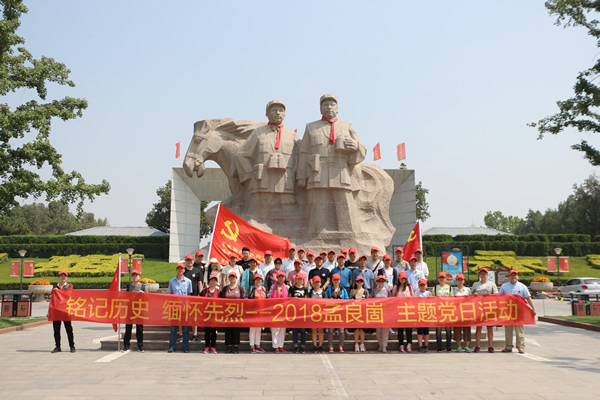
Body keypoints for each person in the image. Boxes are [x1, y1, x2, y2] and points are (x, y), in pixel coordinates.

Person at [297, 94, 366, 235]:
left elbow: (362, 150)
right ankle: (315, 236)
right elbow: (303, 152)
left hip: (340, 172)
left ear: (338, 108)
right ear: (320, 109)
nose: (329, 107)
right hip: (317, 173)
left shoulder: (347, 126)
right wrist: (301, 177)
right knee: (317, 207)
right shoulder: (311, 127)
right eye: (325, 105)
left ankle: (348, 236)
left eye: (332, 104)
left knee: (344, 206)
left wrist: (356, 146)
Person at [236, 99, 300, 225]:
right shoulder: (258, 133)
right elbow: (241, 154)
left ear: (285, 114)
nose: (278, 113)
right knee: (258, 217)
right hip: (262, 183)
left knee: (288, 218)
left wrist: (297, 175)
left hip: (285, 183)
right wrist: (249, 177)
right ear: (267, 114)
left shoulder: (292, 135)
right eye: (274, 110)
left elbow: (302, 155)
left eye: (281, 110)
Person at [500, 270, 536, 354]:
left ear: (518, 276)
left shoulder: (522, 286)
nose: (513, 277)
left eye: (515, 275)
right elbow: (499, 298)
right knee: (508, 330)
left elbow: (528, 298)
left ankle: (520, 347)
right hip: (508, 311)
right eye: (511, 275)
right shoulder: (504, 286)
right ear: (509, 277)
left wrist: (533, 308)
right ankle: (508, 346)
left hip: (519, 312)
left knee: (519, 330)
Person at [472, 268, 499, 353]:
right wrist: (474, 294)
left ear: (487, 275)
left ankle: (490, 346)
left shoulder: (492, 284)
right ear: (479, 275)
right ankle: (477, 345)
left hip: (489, 308)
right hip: (479, 308)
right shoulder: (476, 284)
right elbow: (471, 295)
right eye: (481, 274)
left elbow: (496, 296)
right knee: (479, 327)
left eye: (484, 274)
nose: (483, 275)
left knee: (489, 327)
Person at [167, 263, 192, 353]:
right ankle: (172, 346)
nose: (180, 270)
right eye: (178, 268)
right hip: (174, 308)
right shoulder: (171, 281)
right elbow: (170, 294)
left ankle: (186, 347)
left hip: (184, 308)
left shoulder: (188, 281)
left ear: (184, 270)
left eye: (182, 269)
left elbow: (189, 295)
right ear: (176, 270)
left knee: (185, 329)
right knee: (173, 329)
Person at [220, 271, 245, 354]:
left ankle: (236, 347)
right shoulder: (225, 288)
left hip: (237, 312)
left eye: (233, 277)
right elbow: (222, 299)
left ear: (236, 278)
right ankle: (229, 347)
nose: (232, 278)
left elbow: (243, 299)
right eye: (230, 277)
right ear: (228, 278)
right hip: (228, 312)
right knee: (228, 330)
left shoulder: (240, 288)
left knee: (236, 330)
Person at [51, 270, 75, 353]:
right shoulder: (55, 287)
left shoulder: (69, 286)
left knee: (69, 329)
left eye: (64, 276)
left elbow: (69, 294)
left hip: (66, 310)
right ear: (59, 277)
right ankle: (57, 346)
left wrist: (59, 292)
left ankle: (72, 346)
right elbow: (52, 300)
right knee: (56, 330)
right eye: (61, 276)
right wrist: (49, 312)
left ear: (67, 278)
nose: (63, 277)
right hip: (56, 311)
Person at [326, 273, 349, 352]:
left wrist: (341, 301)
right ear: (332, 281)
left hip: (340, 312)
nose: (336, 281)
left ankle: (341, 346)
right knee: (330, 330)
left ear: (340, 281)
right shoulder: (329, 289)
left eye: (337, 280)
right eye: (334, 280)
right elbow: (325, 300)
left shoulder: (343, 290)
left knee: (341, 330)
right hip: (331, 312)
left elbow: (347, 299)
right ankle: (330, 346)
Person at [123, 271, 145, 352]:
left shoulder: (142, 286)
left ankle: (140, 346)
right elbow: (126, 296)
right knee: (128, 328)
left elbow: (147, 298)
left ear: (139, 277)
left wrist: (143, 293)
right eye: (133, 276)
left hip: (139, 310)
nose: (135, 277)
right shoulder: (129, 286)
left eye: (136, 275)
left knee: (139, 328)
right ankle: (126, 346)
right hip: (130, 309)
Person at [392, 271, 413, 353]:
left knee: (409, 329)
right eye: (401, 278)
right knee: (400, 329)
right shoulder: (396, 287)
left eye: (404, 278)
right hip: (399, 311)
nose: (402, 280)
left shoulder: (409, 287)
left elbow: (413, 297)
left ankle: (409, 344)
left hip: (408, 310)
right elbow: (393, 298)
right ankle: (401, 344)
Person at [183, 253, 202, 341]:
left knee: (194, 316)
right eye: (188, 260)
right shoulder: (183, 271)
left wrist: (200, 295)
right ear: (186, 261)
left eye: (191, 260)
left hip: (195, 296)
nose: (189, 262)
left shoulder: (197, 271)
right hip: (185, 297)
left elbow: (199, 283)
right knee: (185, 316)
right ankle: (183, 334)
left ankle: (195, 334)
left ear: (193, 261)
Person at [200, 274, 220, 354]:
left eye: (214, 281)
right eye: (211, 280)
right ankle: (207, 346)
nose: (213, 282)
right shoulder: (204, 291)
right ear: (209, 282)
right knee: (207, 332)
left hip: (215, 315)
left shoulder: (218, 292)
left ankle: (213, 346)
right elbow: (199, 300)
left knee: (214, 332)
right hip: (206, 315)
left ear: (216, 282)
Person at [288, 273, 308, 353]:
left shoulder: (305, 289)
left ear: (303, 280)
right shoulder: (292, 288)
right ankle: (295, 346)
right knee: (295, 330)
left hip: (302, 312)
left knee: (303, 330)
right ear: (295, 280)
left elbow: (306, 300)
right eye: (298, 279)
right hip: (294, 312)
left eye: (301, 279)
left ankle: (303, 346)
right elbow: (289, 299)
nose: (299, 280)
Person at [247, 274, 267, 353]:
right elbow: (245, 297)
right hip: (253, 312)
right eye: (256, 279)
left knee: (259, 329)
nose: (258, 281)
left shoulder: (263, 289)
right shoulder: (251, 289)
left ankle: (258, 345)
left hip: (261, 312)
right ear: (254, 281)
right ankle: (252, 346)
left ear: (262, 281)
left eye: (259, 279)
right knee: (252, 329)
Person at [269, 271, 289, 353]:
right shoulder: (273, 287)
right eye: (279, 277)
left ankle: (281, 346)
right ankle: (275, 346)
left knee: (282, 329)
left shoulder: (287, 287)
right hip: (275, 310)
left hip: (284, 311)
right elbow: (269, 297)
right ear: (276, 278)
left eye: (282, 277)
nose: (281, 279)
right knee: (275, 329)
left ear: (284, 278)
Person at [452, 273, 472, 353]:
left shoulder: (468, 290)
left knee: (467, 329)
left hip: (466, 312)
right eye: (458, 280)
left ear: (464, 281)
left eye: (461, 280)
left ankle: (467, 346)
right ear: (456, 281)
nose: (460, 281)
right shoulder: (454, 290)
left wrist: (468, 298)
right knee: (457, 329)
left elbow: (472, 300)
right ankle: (459, 346)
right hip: (457, 312)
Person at [433, 271, 453, 352]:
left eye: (443, 278)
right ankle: (439, 346)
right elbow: (432, 299)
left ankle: (449, 346)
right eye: (440, 278)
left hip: (447, 311)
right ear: (438, 279)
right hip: (438, 311)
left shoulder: (449, 288)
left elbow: (452, 299)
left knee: (448, 329)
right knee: (438, 329)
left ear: (445, 279)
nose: (441, 279)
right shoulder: (435, 288)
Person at [308, 276, 327, 353]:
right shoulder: (310, 293)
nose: (316, 284)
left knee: (320, 330)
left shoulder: (323, 293)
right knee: (314, 330)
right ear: (312, 283)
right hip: (312, 315)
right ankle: (315, 346)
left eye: (318, 282)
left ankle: (320, 346)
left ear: (320, 283)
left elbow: (326, 303)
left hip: (321, 315)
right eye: (315, 282)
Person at [350, 275, 369, 352]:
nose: (359, 283)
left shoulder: (365, 291)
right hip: (355, 311)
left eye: (361, 281)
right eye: (358, 281)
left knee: (362, 329)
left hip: (363, 312)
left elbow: (368, 301)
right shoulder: (353, 291)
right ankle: (356, 344)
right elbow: (350, 301)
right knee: (356, 329)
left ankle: (362, 344)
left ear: (363, 282)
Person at [373, 275, 390, 352]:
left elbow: (391, 301)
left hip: (386, 312)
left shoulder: (387, 290)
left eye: (382, 281)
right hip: (376, 312)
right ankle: (380, 345)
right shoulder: (374, 290)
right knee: (378, 330)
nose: (381, 283)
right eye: (379, 281)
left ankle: (384, 346)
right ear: (377, 282)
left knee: (385, 330)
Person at [415, 278, 431, 352]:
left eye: (423, 285)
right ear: (419, 286)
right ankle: (420, 345)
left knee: (426, 330)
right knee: (420, 330)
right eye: (421, 285)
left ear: (426, 285)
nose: (422, 286)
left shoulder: (429, 293)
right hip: (419, 313)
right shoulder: (416, 293)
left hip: (427, 314)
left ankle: (426, 345)